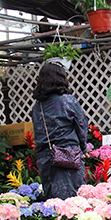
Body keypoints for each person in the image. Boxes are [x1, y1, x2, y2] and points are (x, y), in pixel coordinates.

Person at [31, 61, 88, 199]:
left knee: (52, 202)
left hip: (46, 158)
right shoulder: (68, 101)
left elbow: (38, 133)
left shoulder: (37, 107)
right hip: (69, 157)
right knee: (74, 202)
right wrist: (83, 148)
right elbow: (82, 126)